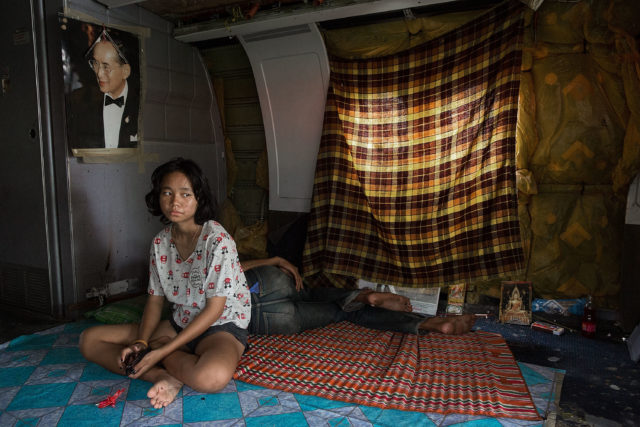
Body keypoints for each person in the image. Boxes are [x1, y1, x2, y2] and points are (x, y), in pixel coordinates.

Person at [80, 158, 250, 409]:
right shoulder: (160, 243)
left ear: (199, 198)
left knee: (211, 378)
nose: (175, 202)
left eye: (185, 194)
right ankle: (163, 376)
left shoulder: (217, 239)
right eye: (167, 193)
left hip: (220, 325)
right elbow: (155, 300)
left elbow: (215, 309)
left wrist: (160, 350)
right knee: (89, 339)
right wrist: (141, 342)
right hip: (179, 322)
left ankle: (162, 357)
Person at [243, 257, 476, 336]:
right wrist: (274, 260)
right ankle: (360, 296)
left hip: (265, 319)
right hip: (260, 281)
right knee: (317, 295)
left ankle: (423, 323)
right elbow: (231, 265)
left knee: (339, 311)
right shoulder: (208, 240)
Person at [67, 29, 139, 149]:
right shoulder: (77, 103)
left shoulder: (141, 104)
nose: (99, 73)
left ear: (125, 71)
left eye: (106, 66)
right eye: (95, 64)